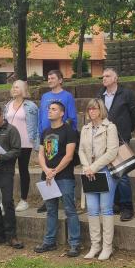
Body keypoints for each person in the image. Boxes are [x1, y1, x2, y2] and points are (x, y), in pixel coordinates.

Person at [34, 101, 81, 257]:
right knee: (51, 210)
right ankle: (49, 241)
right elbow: (41, 154)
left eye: (54, 109)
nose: (50, 111)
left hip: (64, 177)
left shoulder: (69, 131)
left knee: (70, 210)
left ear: (62, 113)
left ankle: (74, 243)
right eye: (49, 109)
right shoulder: (45, 131)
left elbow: (69, 156)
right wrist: (46, 170)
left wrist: (54, 171)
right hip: (47, 176)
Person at [98, 67, 135, 222]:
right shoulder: (100, 94)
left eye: (107, 76)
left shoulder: (126, 94)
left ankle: (127, 207)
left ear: (116, 78)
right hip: (103, 138)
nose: (104, 78)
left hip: (121, 138)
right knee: (108, 171)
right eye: (103, 76)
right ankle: (115, 204)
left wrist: (127, 130)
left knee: (121, 173)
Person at [79, 99, 119, 260]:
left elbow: (112, 152)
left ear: (101, 110)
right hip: (89, 172)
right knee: (92, 209)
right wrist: (86, 167)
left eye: (94, 109)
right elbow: (81, 150)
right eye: (89, 109)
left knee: (106, 209)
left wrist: (93, 167)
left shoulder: (110, 127)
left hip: (105, 172)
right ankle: (95, 245)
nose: (92, 112)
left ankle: (107, 247)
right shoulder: (85, 128)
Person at [36, 70, 77, 213]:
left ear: (60, 80)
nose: (49, 80)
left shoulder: (67, 96)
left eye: (52, 78)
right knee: (46, 165)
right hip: (46, 136)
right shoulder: (45, 96)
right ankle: (48, 200)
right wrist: (41, 131)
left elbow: (72, 117)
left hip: (61, 136)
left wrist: (64, 130)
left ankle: (64, 199)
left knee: (59, 164)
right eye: (48, 78)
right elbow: (41, 116)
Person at [0, 104, 23, 249]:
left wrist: (0, 156)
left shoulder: (11, 130)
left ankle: (12, 236)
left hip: (5, 170)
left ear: (1, 115)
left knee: (7, 202)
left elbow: (17, 151)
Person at [4, 80, 39, 212]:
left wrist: (36, 142)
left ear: (24, 89)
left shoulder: (31, 106)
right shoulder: (8, 105)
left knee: (23, 170)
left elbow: (35, 126)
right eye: (13, 87)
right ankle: (7, 200)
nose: (14, 89)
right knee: (8, 171)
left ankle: (24, 200)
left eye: (17, 87)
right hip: (10, 143)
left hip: (25, 143)